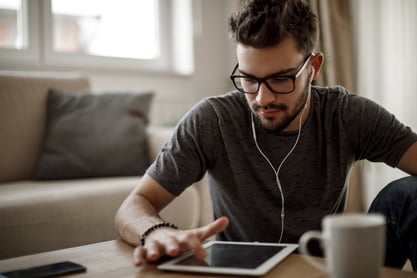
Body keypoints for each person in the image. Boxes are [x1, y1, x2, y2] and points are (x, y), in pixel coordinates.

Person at [115, 0, 417, 270]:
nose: (262, 98)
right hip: (243, 268)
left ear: (312, 68)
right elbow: (135, 204)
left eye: (280, 79)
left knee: (408, 194)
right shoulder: (213, 119)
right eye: (249, 79)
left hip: (325, 265)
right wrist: (157, 233)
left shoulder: (346, 114)